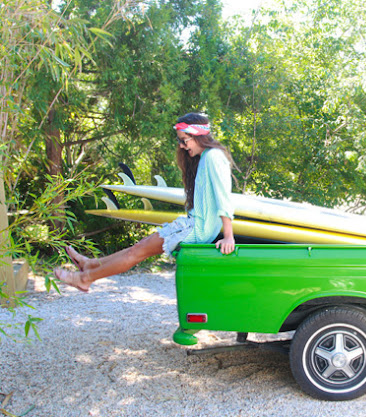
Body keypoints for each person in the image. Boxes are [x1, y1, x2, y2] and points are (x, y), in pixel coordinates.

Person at [54, 112, 235, 292]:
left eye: (184, 140)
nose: (181, 146)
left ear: (199, 136)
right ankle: (90, 265)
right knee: (137, 248)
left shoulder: (214, 157)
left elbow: (223, 196)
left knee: (136, 253)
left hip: (197, 230)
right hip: (193, 226)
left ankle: (84, 278)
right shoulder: (205, 157)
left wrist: (228, 236)